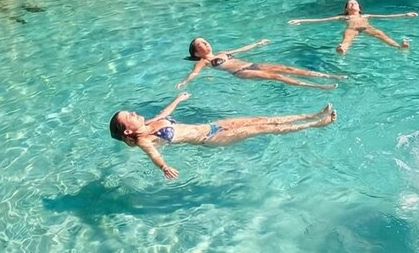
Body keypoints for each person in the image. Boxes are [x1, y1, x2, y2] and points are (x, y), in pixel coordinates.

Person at [109, 92, 338, 178]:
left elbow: (164, 113)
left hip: (212, 126)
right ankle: (317, 124)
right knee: (263, 128)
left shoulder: (149, 123)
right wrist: (164, 167)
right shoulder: (144, 140)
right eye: (127, 115)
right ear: (127, 130)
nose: (133, 112)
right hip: (210, 139)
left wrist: (177, 100)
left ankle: (312, 114)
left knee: (260, 119)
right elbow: (154, 155)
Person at [177, 37, 343, 89]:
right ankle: (319, 86)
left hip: (251, 64)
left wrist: (258, 43)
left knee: (287, 68)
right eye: (200, 45)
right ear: (197, 52)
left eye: (205, 41)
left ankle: (329, 75)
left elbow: (242, 49)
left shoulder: (221, 53)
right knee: (275, 76)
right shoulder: (204, 61)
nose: (205, 44)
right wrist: (186, 81)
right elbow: (194, 73)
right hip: (241, 72)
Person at [288, 0, 419, 54]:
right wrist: (300, 20)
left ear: (359, 8)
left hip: (366, 27)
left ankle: (399, 47)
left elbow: (386, 16)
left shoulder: (365, 16)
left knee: (380, 34)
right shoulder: (344, 17)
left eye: (354, 3)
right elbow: (321, 20)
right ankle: (342, 49)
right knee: (347, 37)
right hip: (351, 28)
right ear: (346, 9)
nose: (352, 4)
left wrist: (405, 14)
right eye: (350, 4)